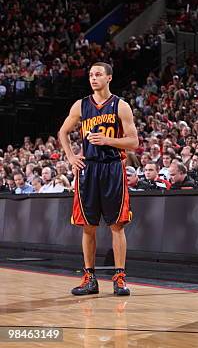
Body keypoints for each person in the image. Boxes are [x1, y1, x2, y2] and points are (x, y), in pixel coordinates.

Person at [58, 62, 139, 297]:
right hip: (89, 169)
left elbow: (133, 142)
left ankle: (120, 277)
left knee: (117, 225)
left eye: (98, 74)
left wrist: (107, 140)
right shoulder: (81, 105)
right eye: (91, 75)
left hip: (113, 168)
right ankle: (89, 278)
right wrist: (71, 157)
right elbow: (63, 132)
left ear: (109, 78)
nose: (93, 78)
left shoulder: (120, 106)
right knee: (88, 226)